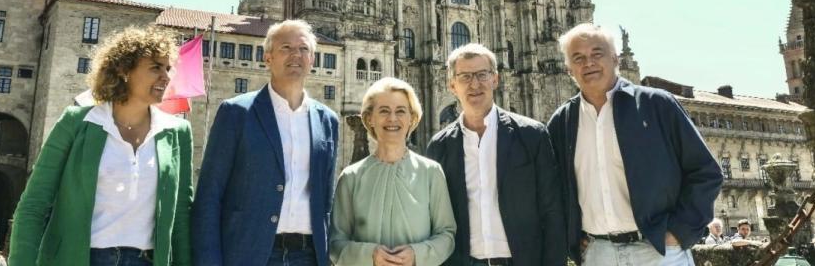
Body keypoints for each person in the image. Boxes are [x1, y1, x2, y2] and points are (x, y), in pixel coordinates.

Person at [9, 25, 193, 266]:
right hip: (81, 259)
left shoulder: (177, 132)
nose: (166, 76)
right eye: (155, 67)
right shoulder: (75, 123)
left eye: (168, 68)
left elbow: (181, 217)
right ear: (124, 70)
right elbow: (34, 205)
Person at [547, 23, 723, 266]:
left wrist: (679, 232)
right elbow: (552, 190)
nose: (588, 63)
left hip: (659, 251)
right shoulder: (561, 122)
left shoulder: (656, 104)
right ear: (568, 69)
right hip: (598, 254)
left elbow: (705, 171)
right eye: (578, 57)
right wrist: (572, 238)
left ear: (615, 58)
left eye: (597, 54)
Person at [193, 19, 339, 266]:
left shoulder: (328, 121)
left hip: (308, 255)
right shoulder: (236, 112)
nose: (296, 54)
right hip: (249, 253)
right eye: (286, 48)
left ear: (312, 59)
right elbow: (209, 195)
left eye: (303, 49)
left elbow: (326, 199)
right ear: (268, 58)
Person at [426, 43, 566, 265]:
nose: (475, 84)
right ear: (452, 85)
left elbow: (552, 211)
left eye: (482, 74)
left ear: (495, 79)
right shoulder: (439, 146)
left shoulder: (532, 135)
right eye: (465, 77)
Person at [330, 77, 456, 266]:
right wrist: (369, 255)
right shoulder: (350, 177)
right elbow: (335, 244)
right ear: (369, 119)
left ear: (412, 118)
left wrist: (417, 254)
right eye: (383, 111)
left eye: (400, 111)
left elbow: (447, 235)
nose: (392, 119)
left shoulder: (431, 172)